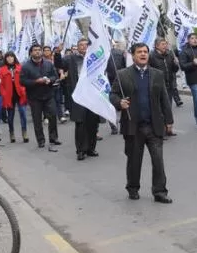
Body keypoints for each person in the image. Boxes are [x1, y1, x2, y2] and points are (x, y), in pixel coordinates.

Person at [110, 42, 174, 203]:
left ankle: (159, 191)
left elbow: (164, 98)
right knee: (134, 160)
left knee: (158, 160)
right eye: (139, 52)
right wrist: (119, 103)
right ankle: (133, 187)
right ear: (133, 55)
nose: (143, 54)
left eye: (145, 51)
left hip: (153, 125)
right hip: (133, 126)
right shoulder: (123, 74)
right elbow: (113, 94)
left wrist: (169, 120)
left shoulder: (157, 74)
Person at [20, 43, 61, 152]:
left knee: (52, 116)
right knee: (37, 119)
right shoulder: (26, 66)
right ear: (31, 52)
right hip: (34, 97)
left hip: (48, 95)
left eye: (39, 50)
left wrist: (50, 80)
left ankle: (53, 138)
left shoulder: (48, 64)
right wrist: (35, 82)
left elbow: (55, 76)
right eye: (35, 50)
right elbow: (22, 81)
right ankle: (41, 140)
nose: (37, 51)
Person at [66, 38, 101, 161]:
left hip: (93, 96)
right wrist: (58, 52)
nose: (83, 47)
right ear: (77, 47)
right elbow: (59, 64)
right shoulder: (72, 59)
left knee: (92, 124)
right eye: (80, 45)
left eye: (85, 45)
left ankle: (91, 148)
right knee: (80, 124)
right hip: (79, 96)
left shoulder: (96, 58)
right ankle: (81, 150)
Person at [149, 37, 182, 127]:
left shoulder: (169, 54)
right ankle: (161, 129)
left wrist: (176, 63)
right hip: (157, 86)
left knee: (168, 108)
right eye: (163, 44)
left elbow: (174, 70)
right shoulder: (151, 56)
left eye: (165, 44)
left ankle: (167, 126)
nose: (165, 46)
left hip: (168, 85)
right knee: (159, 109)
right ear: (156, 46)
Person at [0, 51, 28, 143]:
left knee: (23, 113)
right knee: (10, 116)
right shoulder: (2, 69)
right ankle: (12, 133)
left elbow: (24, 80)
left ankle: (24, 132)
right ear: (5, 59)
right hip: (9, 96)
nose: (10, 58)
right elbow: (1, 84)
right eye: (8, 57)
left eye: (11, 57)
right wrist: (3, 94)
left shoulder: (20, 67)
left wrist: (23, 90)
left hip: (20, 94)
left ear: (14, 58)